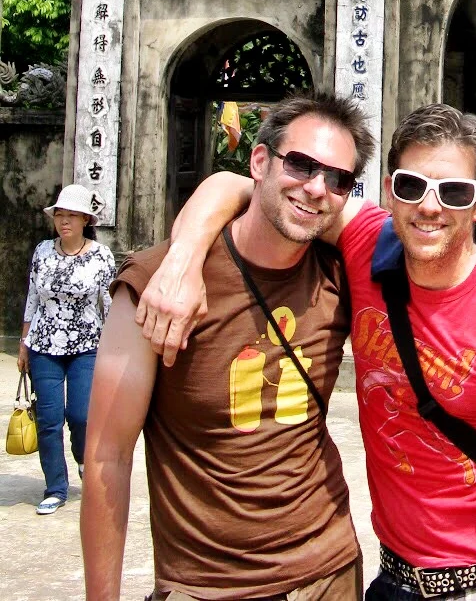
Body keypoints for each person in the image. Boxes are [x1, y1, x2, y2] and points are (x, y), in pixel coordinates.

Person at [138, 101, 476, 601]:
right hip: (392, 580)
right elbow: (242, 186)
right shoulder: (368, 241)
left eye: (454, 192)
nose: (430, 207)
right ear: (390, 191)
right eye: (412, 185)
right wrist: (183, 259)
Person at [80, 95, 371, 601]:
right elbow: (108, 456)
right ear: (259, 160)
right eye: (301, 164)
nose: (316, 187)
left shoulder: (340, 273)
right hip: (208, 584)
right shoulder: (159, 287)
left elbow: (413, 232)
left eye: (339, 179)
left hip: (330, 571)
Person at [19, 183, 116, 515]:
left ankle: (83, 461)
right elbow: (33, 298)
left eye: (72, 216)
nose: (64, 222)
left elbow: (109, 303)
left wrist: (117, 345)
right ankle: (55, 487)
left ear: (85, 220)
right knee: (48, 419)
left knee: (81, 415)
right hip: (43, 344)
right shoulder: (43, 251)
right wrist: (24, 343)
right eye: (60, 215)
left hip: (87, 345)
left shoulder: (100, 256)